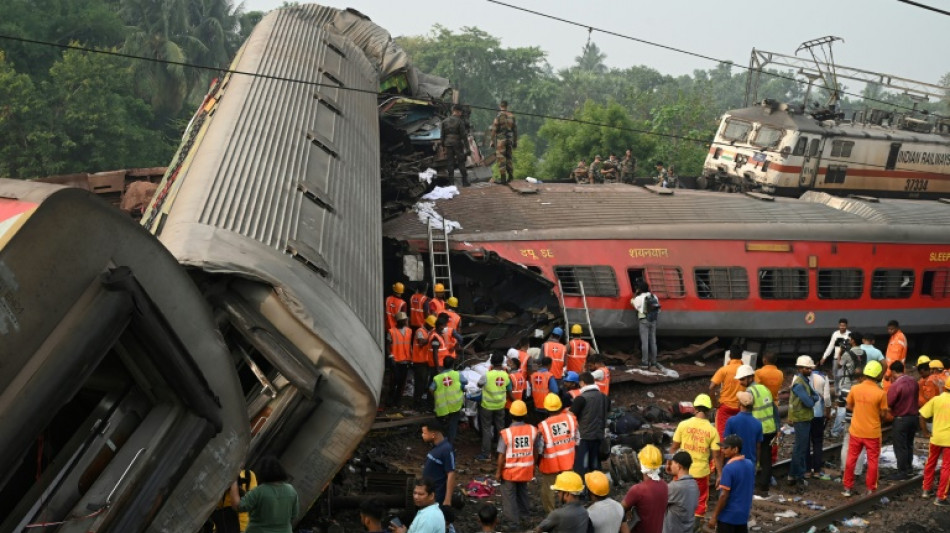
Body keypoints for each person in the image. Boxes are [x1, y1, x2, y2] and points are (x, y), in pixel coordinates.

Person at [670, 393, 722, 527]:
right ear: (709, 411)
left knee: (678, 498)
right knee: (700, 501)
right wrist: (720, 475)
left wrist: (670, 464)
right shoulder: (712, 430)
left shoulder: (683, 425)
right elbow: (716, 455)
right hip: (701, 473)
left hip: (682, 470)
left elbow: (674, 447)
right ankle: (695, 527)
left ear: (694, 408)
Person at [842, 360, 890, 497]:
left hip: (856, 430)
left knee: (851, 459)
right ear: (877, 375)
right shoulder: (880, 393)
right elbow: (883, 414)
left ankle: (847, 487)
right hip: (872, 433)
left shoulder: (855, 389)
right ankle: (870, 488)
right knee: (873, 461)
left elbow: (849, 407)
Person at [229, 456, 298, 533]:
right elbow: (294, 515)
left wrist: (233, 481)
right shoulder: (291, 490)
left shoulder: (260, 491)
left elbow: (238, 506)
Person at [496, 400, 538, 529]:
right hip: (525, 469)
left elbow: (501, 455)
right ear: (525, 415)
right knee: (523, 493)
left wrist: (498, 472)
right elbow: (535, 450)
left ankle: (513, 523)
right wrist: (533, 466)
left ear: (511, 414)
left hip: (510, 472)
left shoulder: (507, 433)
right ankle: (525, 517)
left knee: (509, 497)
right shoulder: (532, 430)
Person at [537, 393, 578, 513]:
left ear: (546, 408)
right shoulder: (571, 419)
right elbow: (577, 439)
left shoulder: (543, 426)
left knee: (548, 490)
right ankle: (570, 509)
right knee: (569, 487)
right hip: (568, 460)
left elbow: (540, 448)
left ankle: (551, 513)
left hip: (551, 463)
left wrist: (537, 461)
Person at [707, 435, 755, 533]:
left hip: (728, 517)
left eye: (726, 448)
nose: (723, 450)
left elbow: (724, 495)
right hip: (743, 515)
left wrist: (714, 516)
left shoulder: (729, 468)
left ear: (735, 449)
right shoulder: (749, 464)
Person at [787, 355, 819, 490]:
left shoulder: (805, 381)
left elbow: (816, 396)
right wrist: (813, 398)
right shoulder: (800, 384)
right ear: (800, 368)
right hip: (801, 419)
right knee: (800, 449)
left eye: (811, 368)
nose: (810, 370)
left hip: (804, 418)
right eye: (807, 368)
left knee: (801, 448)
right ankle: (796, 475)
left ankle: (794, 475)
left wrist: (813, 397)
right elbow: (810, 401)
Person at [621, 444, 668, 533]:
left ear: (641, 464)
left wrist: (628, 510)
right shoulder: (664, 485)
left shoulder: (638, 490)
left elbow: (619, 509)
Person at [746, 371, 779, 496]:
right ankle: (764, 487)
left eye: (742, 380)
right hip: (769, 428)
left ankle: (752, 485)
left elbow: (746, 410)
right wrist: (778, 427)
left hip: (757, 429)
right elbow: (774, 409)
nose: (740, 382)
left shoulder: (750, 392)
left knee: (753, 456)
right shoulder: (764, 388)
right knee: (766, 458)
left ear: (749, 378)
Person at [570, 371, 610, 476]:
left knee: (582, 467)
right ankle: (597, 489)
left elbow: (571, 416)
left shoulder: (581, 398)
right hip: (599, 436)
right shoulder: (604, 397)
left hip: (584, 438)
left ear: (582, 383)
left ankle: (582, 490)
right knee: (596, 466)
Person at [886, 360, 919, 480]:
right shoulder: (913, 381)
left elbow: (889, 403)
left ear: (893, 371)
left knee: (900, 446)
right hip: (914, 418)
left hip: (901, 419)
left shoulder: (896, 385)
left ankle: (902, 471)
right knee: (909, 444)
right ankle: (909, 468)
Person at [919, 377, 950, 506]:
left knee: (930, 463)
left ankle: (926, 490)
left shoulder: (937, 399)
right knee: (946, 468)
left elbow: (922, 416)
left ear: (945, 387)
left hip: (935, 438)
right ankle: (940, 497)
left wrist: (925, 432)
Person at [476, 354, 513, 461]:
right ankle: (501, 452)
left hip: (487, 406)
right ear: (502, 362)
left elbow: (479, 385)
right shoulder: (506, 375)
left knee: (486, 429)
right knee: (500, 429)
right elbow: (509, 389)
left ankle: (486, 454)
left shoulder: (487, 375)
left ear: (491, 362)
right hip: (500, 406)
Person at [832, 336, 864, 438]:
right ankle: (855, 428)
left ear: (853, 340)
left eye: (850, 339)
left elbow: (839, 365)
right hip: (859, 383)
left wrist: (840, 352)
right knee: (856, 407)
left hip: (847, 384)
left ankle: (836, 431)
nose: (849, 340)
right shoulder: (864, 353)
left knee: (842, 408)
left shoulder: (847, 353)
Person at [710, 346, 745, 440]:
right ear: (741, 357)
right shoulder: (746, 371)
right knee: (738, 435)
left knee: (721, 435)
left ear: (730, 356)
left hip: (725, 407)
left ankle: (722, 453)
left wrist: (714, 403)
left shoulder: (723, 370)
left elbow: (711, 387)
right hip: (740, 407)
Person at [431, 357, 466, 444]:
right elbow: (465, 382)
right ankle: (450, 444)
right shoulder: (457, 374)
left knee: (441, 425)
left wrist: (436, 396)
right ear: (453, 365)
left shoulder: (437, 377)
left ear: (443, 364)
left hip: (442, 405)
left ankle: (439, 443)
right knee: (452, 425)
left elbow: (431, 389)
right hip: (455, 404)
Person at [421, 421, 456, 507]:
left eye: (424, 433)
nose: (422, 435)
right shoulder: (436, 447)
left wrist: (447, 500)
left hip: (437, 495)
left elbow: (451, 474)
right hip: (429, 491)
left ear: (433, 435)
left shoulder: (446, 449)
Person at [724, 389, 762, 466]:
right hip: (750, 463)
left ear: (739, 404)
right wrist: (757, 463)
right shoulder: (758, 423)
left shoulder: (731, 421)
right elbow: (758, 447)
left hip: (733, 463)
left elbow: (726, 444)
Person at [806, 365, 832, 480]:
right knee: (817, 442)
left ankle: (807, 470)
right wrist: (828, 412)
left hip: (805, 415)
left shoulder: (799, 376)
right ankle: (816, 471)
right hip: (818, 415)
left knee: (805, 442)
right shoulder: (823, 376)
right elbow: (826, 398)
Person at [664, 451, 700, 533]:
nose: (670, 465)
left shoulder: (675, 487)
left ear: (678, 466)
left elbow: (658, 503)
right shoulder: (694, 484)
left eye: (672, 463)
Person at [215, 466, 258, 533]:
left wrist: (237, 487)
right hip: (225, 526)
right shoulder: (220, 478)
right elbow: (215, 506)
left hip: (244, 526)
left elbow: (253, 501)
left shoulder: (248, 475)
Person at [632, 280, 660, 370]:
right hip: (653, 320)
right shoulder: (654, 296)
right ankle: (654, 363)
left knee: (645, 342)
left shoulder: (639, 298)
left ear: (639, 289)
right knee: (653, 341)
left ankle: (644, 363)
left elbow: (635, 306)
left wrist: (634, 296)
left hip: (644, 320)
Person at [388, 312, 414, 408]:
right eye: (404, 320)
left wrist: (411, 358)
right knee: (394, 381)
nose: (406, 321)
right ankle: (390, 400)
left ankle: (397, 401)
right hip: (396, 360)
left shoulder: (409, 331)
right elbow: (388, 344)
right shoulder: (391, 331)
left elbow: (409, 345)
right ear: (399, 321)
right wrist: (391, 356)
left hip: (405, 360)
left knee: (402, 382)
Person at [411, 315, 437, 409]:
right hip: (419, 362)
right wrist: (431, 336)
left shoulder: (428, 331)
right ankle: (416, 403)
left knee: (424, 382)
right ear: (427, 324)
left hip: (426, 361)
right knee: (420, 383)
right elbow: (421, 343)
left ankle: (420, 401)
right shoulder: (420, 331)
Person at [441, 104, 470, 187]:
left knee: (450, 163)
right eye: (460, 112)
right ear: (457, 111)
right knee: (461, 162)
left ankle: (451, 183)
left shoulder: (444, 121)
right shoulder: (460, 121)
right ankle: (465, 182)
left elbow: (442, 135)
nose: (461, 114)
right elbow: (464, 136)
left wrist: (443, 146)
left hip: (448, 144)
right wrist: (467, 148)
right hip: (457, 144)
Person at [489, 100, 517, 184]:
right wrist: (515, 141)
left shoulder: (498, 116)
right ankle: (511, 176)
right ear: (507, 106)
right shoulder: (512, 116)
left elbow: (494, 129)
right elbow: (515, 130)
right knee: (509, 158)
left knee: (501, 158)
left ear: (500, 106)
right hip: (510, 140)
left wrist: (492, 140)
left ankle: (503, 178)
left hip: (501, 140)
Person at [530, 356, 559, 421]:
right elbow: (555, 391)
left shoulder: (533, 375)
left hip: (536, 405)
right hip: (547, 406)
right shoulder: (549, 375)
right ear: (550, 365)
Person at [883, 320, 908, 391]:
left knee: (890, 391)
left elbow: (894, 358)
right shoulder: (895, 336)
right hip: (896, 370)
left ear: (897, 328)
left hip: (894, 371)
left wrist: (888, 373)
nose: (890, 331)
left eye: (892, 329)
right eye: (888, 329)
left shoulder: (898, 339)